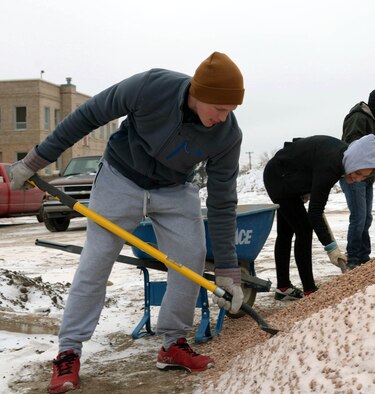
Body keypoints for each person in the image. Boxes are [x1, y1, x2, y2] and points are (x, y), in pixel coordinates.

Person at [8, 52, 246, 394]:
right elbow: (86, 117)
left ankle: (172, 344)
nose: (224, 119)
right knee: (95, 261)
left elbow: (224, 201)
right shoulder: (151, 87)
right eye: (219, 109)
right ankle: (69, 351)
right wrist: (33, 161)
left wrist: (228, 270)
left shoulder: (227, 135)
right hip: (120, 178)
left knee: (191, 257)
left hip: (175, 188)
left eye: (230, 111)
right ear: (199, 92)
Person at [263, 133, 375, 300]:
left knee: (287, 230)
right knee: (303, 229)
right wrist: (331, 248)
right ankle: (309, 290)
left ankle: (283, 287)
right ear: (354, 163)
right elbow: (315, 213)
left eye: (364, 176)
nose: (358, 179)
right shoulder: (331, 166)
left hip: (289, 173)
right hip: (279, 177)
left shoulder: (348, 154)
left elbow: (363, 144)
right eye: (359, 173)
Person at [339, 89, 375, 270]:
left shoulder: (372, 120)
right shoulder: (358, 117)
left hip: (366, 176)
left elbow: (368, 154)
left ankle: (363, 255)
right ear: (374, 103)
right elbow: (353, 144)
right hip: (353, 175)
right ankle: (353, 257)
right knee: (359, 217)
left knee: (366, 217)